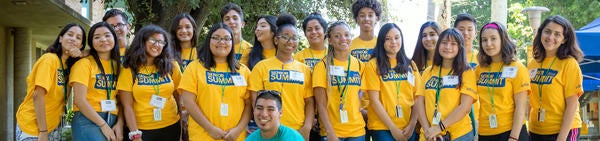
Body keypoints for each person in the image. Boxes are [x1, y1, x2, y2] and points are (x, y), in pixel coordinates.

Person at [178, 23, 251, 141]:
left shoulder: (243, 71)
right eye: (216, 38)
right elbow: (188, 101)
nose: (221, 42)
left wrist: (238, 130)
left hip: (234, 136)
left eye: (227, 39)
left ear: (232, 43)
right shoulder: (194, 67)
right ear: (209, 41)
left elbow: (249, 104)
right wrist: (210, 128)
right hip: (203, 135)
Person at [15, 23, 86, 141]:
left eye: (78, 38)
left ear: (81, 45)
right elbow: (38, 95)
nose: (73, 39)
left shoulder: (68, 66)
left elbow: (96, 53)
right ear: (60, 38)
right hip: (34, 127)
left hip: (52, 127)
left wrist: (81, 54)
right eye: (70, 34)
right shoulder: (49, 59)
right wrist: (43, 131)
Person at [248, 13, 314, 140]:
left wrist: (307, 127)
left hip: (296, 131)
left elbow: (310, 102)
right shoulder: (261, 67)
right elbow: (254, 100)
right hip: (269, 130)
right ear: (276, 40)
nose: (290, 41)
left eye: (294, 38)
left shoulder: (304, 70)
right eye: (285, 37)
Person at [117, 25, 182, 141]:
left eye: (161, 42)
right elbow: (127, 106)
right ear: (142, 42)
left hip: (171, 125)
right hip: (142, 130)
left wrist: (183, 122)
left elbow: (180, 96)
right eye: (152, 40)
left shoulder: (171, 66)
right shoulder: (129, 69)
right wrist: (135, 134)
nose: (157, 45)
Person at [528, 15, 584, 141]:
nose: (550, 37)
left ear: (564, 39)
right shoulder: (533, 63)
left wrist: (562, 138)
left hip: (564, 130)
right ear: (541, 33)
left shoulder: (569, 64)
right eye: (547, 32)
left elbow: (572, 104)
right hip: (536, 130)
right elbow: (530, 100)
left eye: (557, 34)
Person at [415, 28, 477, 141]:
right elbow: (419, 101)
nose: (448, 47)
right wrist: (428, 129)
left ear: (460, 47)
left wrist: (439, 128)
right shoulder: (428, 72)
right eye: (444, 43)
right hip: (429, 135)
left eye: (453, 44)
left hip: (458, 135)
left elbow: (465, 107)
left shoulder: (466, 72)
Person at [364, 23, 421, 141]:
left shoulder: (411, 65)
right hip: (382, 128)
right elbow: (374, 100)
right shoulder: (373, 65)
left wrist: (412, 124)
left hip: (407, 127)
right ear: (381, 42)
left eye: (397, 37)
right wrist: (392, 128)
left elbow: (418, 98)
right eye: (388, 39)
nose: (393, 42)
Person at [475, 22, 530, 141]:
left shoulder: (517, 68)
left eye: (493, 38)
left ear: (503, 40)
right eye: (484, 40)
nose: (488, 44)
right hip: (485, 132)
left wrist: (514, 137)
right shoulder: (479, 69)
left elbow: (521, 108)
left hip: (511, 132)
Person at [70, 22, 123, 141]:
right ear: (91, 42)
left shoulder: (118, 65)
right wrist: (103, 125)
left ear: (114, 38)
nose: (103, 39)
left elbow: (121, 100)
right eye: (97, 37)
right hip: (87, 119)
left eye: (107, 35)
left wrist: (119, 123)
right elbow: (79, 100)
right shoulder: (84, 64)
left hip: (112, 118)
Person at [313, 21, 366, 141]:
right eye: (337, 36)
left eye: (347, 35)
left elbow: (361, 95)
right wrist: (330, 132)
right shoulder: (322, 66)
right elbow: (320, 104)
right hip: (332, 133)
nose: (343, 38)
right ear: (330, 40)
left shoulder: (359, 65)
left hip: (357, 131)